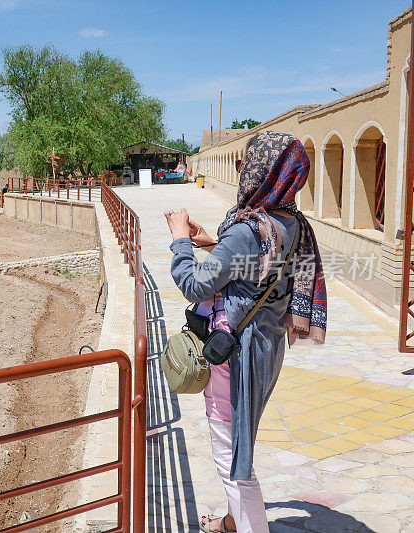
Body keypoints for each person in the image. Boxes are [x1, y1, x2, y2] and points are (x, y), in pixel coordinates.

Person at [163, 131, 327, 533]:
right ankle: (233, 522)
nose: (242, 172)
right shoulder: (292, 223)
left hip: (234, 355)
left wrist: (180, 241)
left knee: (231, 454)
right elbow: (258, 270)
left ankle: (247, 524)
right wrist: (214, 244)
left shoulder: (247, 230)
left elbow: (197, 285)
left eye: (246, 164)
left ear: (263, 171)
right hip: (266, 349)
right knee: (242, 437)